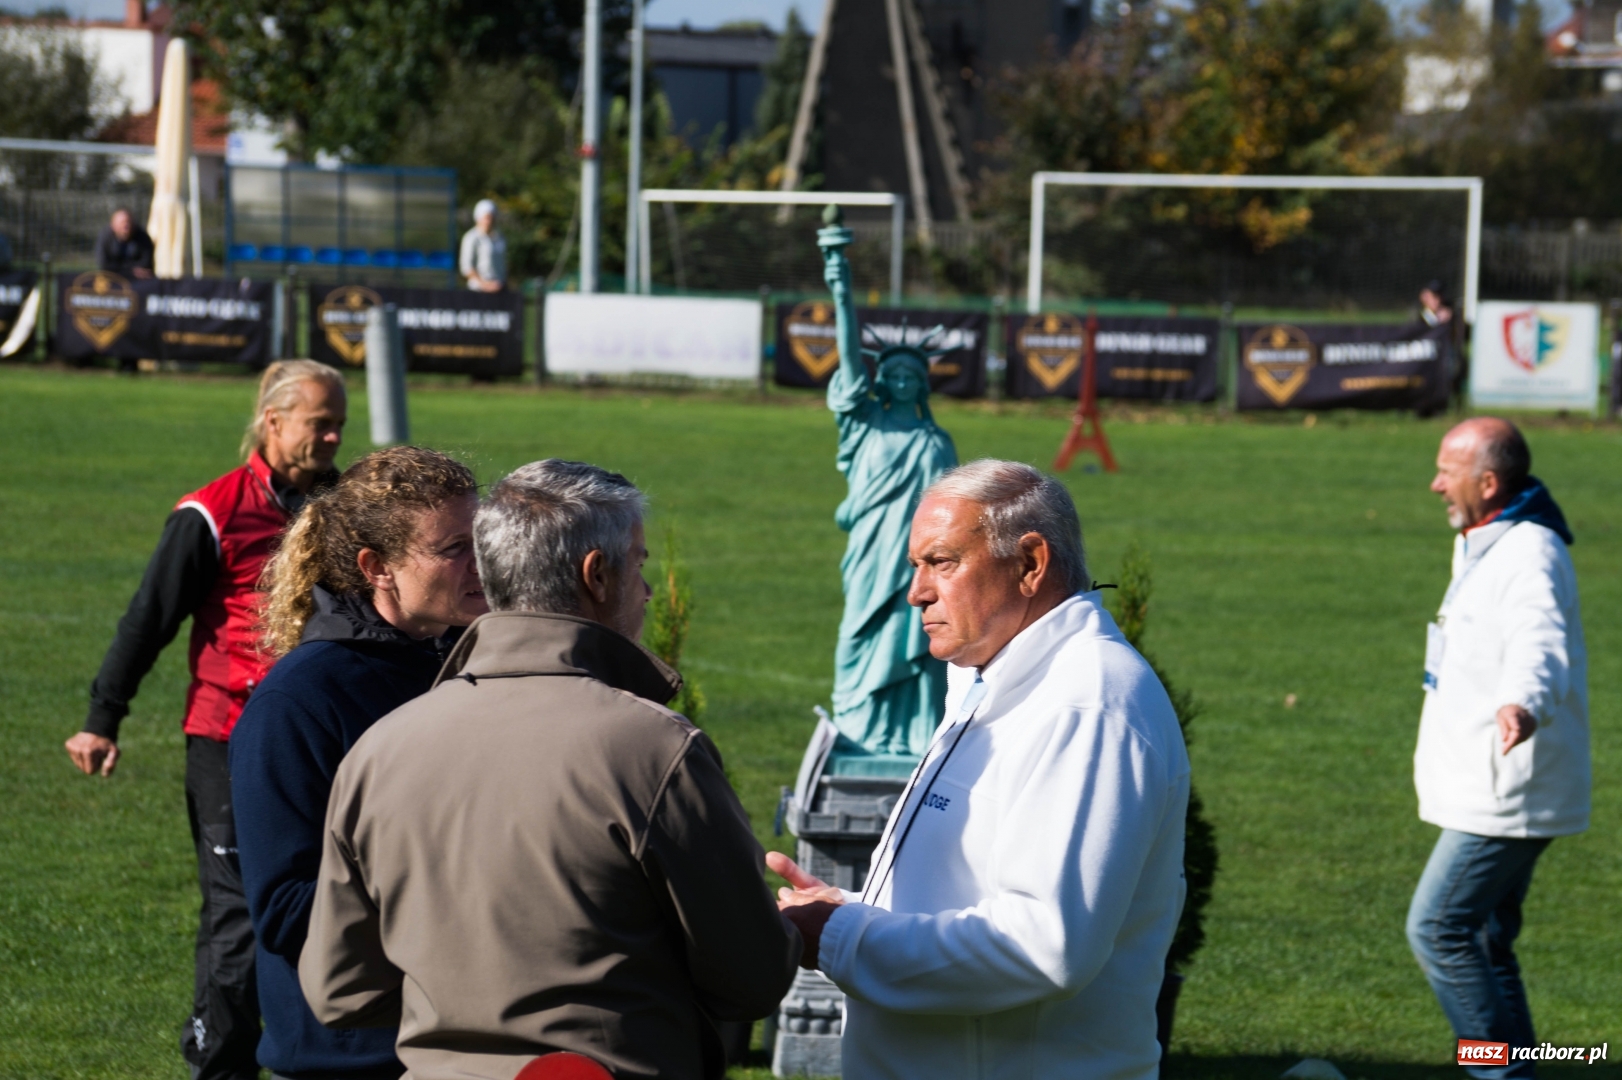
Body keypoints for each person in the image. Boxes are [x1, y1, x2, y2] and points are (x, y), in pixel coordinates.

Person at [298, 460, 800, 1079]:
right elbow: (750, 980)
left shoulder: (379, 749)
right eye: (638, 564)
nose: (644, 590)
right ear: (597, 575)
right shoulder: (653, 749)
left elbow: (340, 989)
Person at [770, 459, 1192, 1080]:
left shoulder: (1086, 704)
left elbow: (1043, 944)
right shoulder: (995, 680)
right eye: (916, 566)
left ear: (1030, 564)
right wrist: (855, 908)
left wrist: (839, 936)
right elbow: (978, 894)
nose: (916, 591)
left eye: (942, 562)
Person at [64, 359, 347, 1080]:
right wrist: (103, 717)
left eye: (340, 422)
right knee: (242, 920)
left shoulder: (345, 510)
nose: (335, 435)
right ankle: (220, 1067)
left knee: (327, 908)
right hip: (228, 743)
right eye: (321, 422)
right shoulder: (212, 513)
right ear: (273, 421)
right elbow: (147, 620)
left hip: (326, 742)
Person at [230, 446, 484, 1080]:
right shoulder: (299, 702)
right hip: (349, 1056)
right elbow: (285, 911)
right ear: (378, 568)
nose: (480, 565)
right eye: (453, 549)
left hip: (458, 1038)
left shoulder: (470, 666)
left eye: (481, 541)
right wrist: (456, 879)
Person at [1407, 418, 1590, 1078]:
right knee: (1484, 938)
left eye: (1445, 473)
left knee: (1438, 928)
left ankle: (1496, 1071)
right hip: (1488, 778)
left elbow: (1540, 643)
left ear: (1487, 482)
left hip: (1509, 784)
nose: (1434, 485)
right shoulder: (1484, 538)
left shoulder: (1530, 550)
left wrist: (1525, 703)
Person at [820, 204, 957, 767]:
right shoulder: (863, 423)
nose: (900, 379)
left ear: (922, 383)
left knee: (918, 639)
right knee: (860, 632)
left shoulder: (936, 441)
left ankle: (911, 733)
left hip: (920, 559)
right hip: (872, 553)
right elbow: (849, 361)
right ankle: (859, 726)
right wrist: (840, 282)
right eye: (892, 373)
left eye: (911, 374)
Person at [458, 198, 506, 292]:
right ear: (478, 218)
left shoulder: (499, 237)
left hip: (498, 289)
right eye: (487, 217)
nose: (489, 221)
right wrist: (484, 285)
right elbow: (467, 267)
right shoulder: (471, 238)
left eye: (492, 217)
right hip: (478, 291)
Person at [96, 207, 156, 279]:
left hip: (138, 281)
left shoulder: (143, 237)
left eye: (128, 222)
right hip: (112, 279)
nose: (126, 226)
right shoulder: (105, 238)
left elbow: (146, 262)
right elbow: (104, 264)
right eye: (122, 222)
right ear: (113, 225)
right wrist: (131, 271)